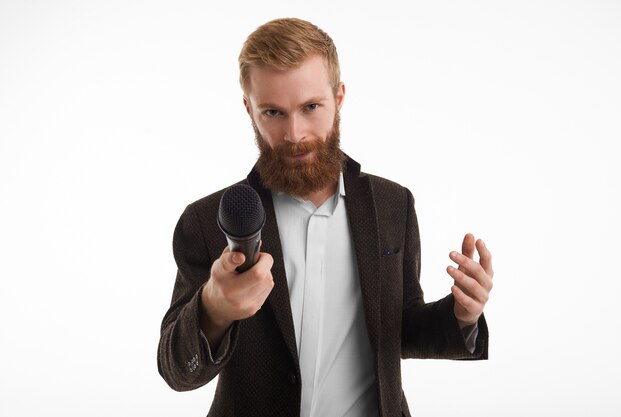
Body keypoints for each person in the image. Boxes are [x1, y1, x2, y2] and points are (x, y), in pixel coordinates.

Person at [157, 17, 494, 417]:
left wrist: (462, 315)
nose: (295, 133)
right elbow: (177, 371)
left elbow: (397, 328)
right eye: (273, 113)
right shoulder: (207, 220)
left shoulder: (393, 204)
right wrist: (214, 306)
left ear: (340, 97)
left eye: (311, 107)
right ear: (249, 109)